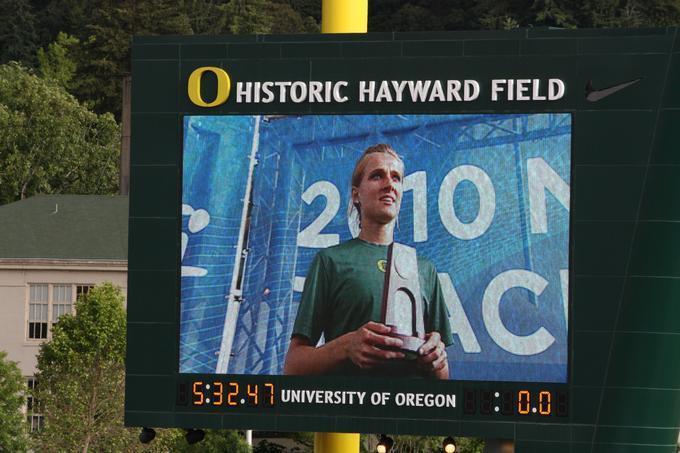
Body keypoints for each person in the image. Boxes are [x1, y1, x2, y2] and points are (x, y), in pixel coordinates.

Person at [283, 144, 453, 378]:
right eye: (377, 176)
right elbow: (293, 366)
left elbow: (443, 377)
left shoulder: (423, 268)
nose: (389, 184)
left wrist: (437, 361)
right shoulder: (331, 261)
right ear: (356, 195)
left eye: (396, 178)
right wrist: (346, 346)